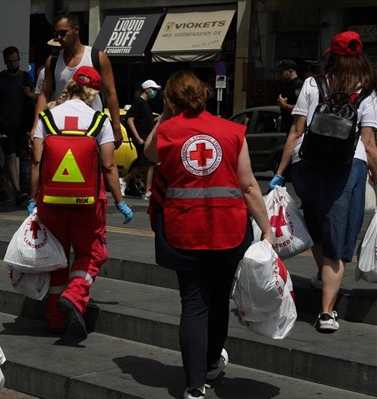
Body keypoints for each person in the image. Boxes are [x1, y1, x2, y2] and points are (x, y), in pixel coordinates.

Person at [144, 71, 273, 399]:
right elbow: (247, 185)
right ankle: (213, 361)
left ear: (170, 100)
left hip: (182, 232)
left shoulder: (168, 131)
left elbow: (148, 154)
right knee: (217, 302)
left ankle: (194, 386)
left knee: (193, 305)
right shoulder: (232, 131)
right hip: (228, 231)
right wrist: (268, 229)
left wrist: (167, 116)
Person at [270, 31, 377, 333]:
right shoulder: (368, 91)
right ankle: (327, 312)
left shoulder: (311, 83)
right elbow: (368, 145)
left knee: (317, 225)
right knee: (338, 240)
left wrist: (280, 171)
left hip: (308, 164)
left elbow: (296, 131)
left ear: (331, 56)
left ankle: (322, 274)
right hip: (347, 168)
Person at [29, 66, 133, 340]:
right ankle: (75, 297)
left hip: (50, 201)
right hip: (89, 201)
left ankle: (55, 318)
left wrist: (33, 199)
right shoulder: (100, 121)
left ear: (71, 86)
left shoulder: (47, 117)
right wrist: (120, 201)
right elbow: (109, 166)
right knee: (93, 252)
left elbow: (37, 161)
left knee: (57, 257)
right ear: (93, 93)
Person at [34, 12, 123, 149]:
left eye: (63, 33)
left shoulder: (97, 57)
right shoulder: (53, 61)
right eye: (56, 33)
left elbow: (110, 93)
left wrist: (116, 128)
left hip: (91, 128)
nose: (59, 38)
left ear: (76, 29)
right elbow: (44, 94)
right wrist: (36, 126)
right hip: (59, 128)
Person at [0, 46, 33, 205]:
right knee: (11, 156)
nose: (14, 64)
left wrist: (30, 94)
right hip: (5, 123)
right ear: (5, 62)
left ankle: (2, 188)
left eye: (16, 61)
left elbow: (34, 98)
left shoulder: (26, 77)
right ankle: (17, 191)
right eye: (10, 62)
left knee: (13, 158)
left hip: (21, 124)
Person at [120, 79, 161, 199]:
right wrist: (137, 137)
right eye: (153, 89)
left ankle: (147, 191)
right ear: (147, 89)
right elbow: (130, 120)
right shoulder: (138, 102)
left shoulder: (146, 104)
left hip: (147, 138)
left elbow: (143, 120)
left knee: (150, 164)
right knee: (143, 164)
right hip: (141, 139)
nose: (154, 92)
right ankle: (123, 180)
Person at [276, 59, 304, 133]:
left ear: (290, 72)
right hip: (288, 127)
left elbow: (301, 108)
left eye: (281, 72)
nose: (279, 76)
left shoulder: (298, 85)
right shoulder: (288, 85)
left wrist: (284, 105)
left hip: (295, 129)